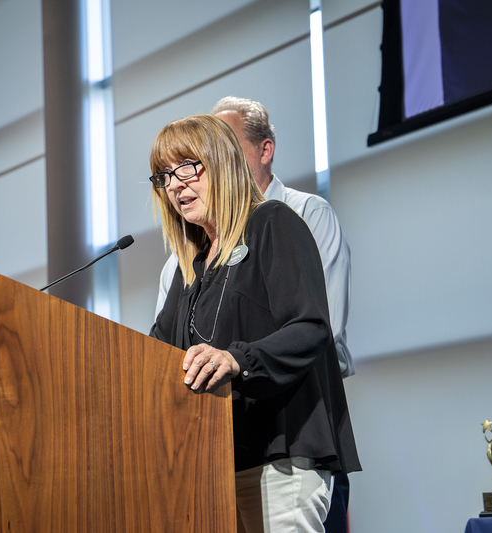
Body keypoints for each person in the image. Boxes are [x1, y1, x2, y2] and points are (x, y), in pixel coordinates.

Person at [148, 114, 361, 533]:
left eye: (187, 166)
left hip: (278, 459)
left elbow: (311, 327)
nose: (175, 184)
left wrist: (236, 359)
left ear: (224, 163)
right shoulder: (188, 268)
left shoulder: (272, 223)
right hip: (211, 463)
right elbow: (152, 352)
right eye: (164, 175)